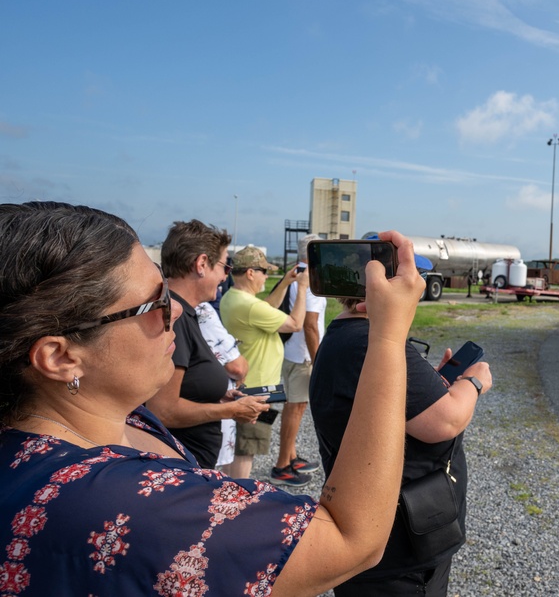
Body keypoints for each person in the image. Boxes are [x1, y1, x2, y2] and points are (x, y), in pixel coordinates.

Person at [0, 201, 427, 595]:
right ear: (60, 357)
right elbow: (353, 539)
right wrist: (387, 337)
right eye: (154, 303)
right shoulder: (123, 505)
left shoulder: (77, 429)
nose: (177, 311)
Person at [310, 294, 493, 596]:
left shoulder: (347, 334)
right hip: (400, 549)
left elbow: (389, 406)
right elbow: (447, 420)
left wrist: (429, 388)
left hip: (374, 533)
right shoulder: (369, 341)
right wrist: (473, 383)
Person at [145, 219, 270, 469]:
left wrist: (219, 396)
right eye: (225, 266)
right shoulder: (175, 319)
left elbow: (185, 384)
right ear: (202, 264)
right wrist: (231, 410)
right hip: (183, 465)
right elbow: (164, 410)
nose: (226, 276)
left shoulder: (184, 311)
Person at [220, 246, 308, 481]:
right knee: (246, 450)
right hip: (255, 389)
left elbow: (267, 308)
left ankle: (231, 492)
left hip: (248, 385)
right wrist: (303, 288)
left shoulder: (234, 298)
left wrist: (286, 283)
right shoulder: (249, 306)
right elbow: (295, 323)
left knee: (239, 446)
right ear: (250, 273)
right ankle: (238, 497)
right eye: (263, 272)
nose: (266, 277)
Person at [273, 234, 325, 485]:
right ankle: (282, 466)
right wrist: (319, 362)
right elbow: (311, 326)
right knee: (295, 408)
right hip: (302, 355)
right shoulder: (311, 279)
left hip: (292, 352)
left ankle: (291, 456)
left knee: (296, 406)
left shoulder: (296, 272)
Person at [194, 298, 248, 469]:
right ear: (200, 269)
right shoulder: (201, 309)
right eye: (224, 268)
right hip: (205, 425)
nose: (225, 276)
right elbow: (237, 367)